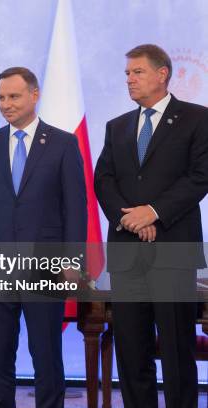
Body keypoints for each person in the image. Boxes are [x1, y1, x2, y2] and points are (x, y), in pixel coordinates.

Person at [0, 67, 87, 408]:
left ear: (35, 95)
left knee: (46, 354)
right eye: (1, 97)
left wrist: (73, 260)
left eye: (13, 96)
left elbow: (76, 207)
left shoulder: (63, 143)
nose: (5, 104)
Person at [94, 44, 208, 408]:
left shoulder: (198, 118)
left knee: (176, 351)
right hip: (128, 253)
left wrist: (154, 211)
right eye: (127, 73)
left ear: (162, 74)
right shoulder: (117, 126)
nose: (129, 79)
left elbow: (200, 177)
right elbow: (104, 180)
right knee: (131, 351)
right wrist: (129, 217)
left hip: (174, 251)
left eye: (137, 72)